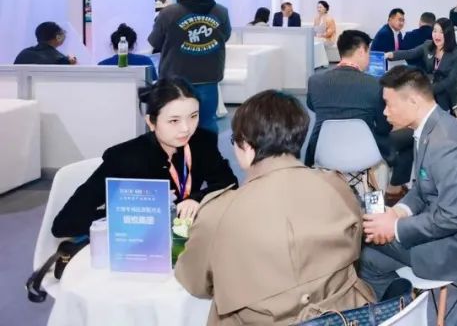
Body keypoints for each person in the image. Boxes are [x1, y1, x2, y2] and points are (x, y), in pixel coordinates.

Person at [176, 90, 375, 324]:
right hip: (344, 317)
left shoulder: (217, 213)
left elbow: (195, 282)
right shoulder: (337, 187)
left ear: (246, 146)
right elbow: (354, 247)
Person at [359, 68, 457, 300]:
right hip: (445, 228)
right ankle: (402, 309)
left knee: (361, 236)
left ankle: (400, 308)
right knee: (368, 259)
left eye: (389, 104)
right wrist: (397, 212)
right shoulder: (429, 127)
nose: (384, 112)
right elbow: (422, 187)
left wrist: (395, 227)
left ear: (413, 101)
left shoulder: (445, 144)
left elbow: (452, 217)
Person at [52, 79, 237, 238]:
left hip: (184, 240)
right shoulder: (124, 158)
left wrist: (197, 198)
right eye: (174, 120)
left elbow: (228, 183)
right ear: (151, 122)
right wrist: (138, 214)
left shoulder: (202, 142)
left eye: (193, 116)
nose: (186, 128)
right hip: (136, 246)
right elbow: (65, 223)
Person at [304, 30, 413, 199]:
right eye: (368, 52)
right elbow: (383, 127)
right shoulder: (374, 84)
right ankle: (393, 190)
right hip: (366, 153)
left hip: (323, 151)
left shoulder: (315, 81)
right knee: (410, 135)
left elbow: (312, 106)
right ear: (361, 51)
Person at [148, 0, 231, 133]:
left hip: (175, 80)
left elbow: (156, 42)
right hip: (209, 77)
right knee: (207, 123)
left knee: (174, 125)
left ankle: (180, 150)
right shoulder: (221, 12)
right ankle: (207, 150)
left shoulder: (168, 13)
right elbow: (224, 37)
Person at [386, 18, 457, 112]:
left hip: (446, 92)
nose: (437, 35)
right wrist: (391, 54)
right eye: (435, 31)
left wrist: (429, 90)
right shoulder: (428, 45)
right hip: (429, 85)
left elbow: (450, 80)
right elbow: (410, 53)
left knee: (427, 104)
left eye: (441, 32)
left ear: (448, 34)